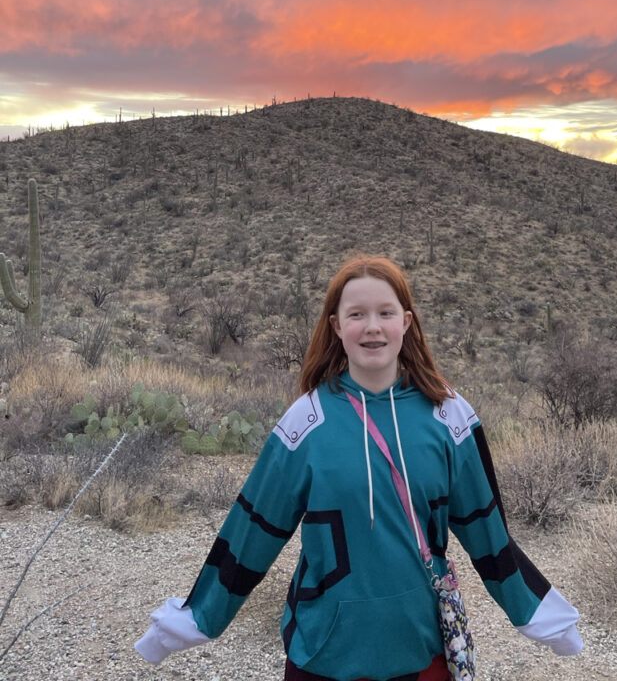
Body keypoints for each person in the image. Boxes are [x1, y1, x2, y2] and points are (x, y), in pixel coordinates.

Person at [135, 254, 583, 680]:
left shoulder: (450, 415)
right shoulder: (306, 421)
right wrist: (195, 619)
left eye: (386, 313)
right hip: (323, 654)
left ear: (406, 322)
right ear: (336, 326)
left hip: (421, 650)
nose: (372, 327)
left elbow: (487, 528)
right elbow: (254, 529)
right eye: (357, 315)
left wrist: (538, 613)